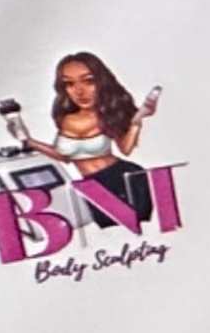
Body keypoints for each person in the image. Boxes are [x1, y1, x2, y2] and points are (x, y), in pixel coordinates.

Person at [16, 53, 163, 227]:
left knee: (135, 232)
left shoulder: (108, 114)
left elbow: (126, 149)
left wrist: (137, 120)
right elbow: (64, 156)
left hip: (123, 178)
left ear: (101, 82)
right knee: (110, 232)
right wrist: (28, 141)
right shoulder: (66, 119)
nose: (79, 91)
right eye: (69, 83)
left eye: (88, 81)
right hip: (91, 185)